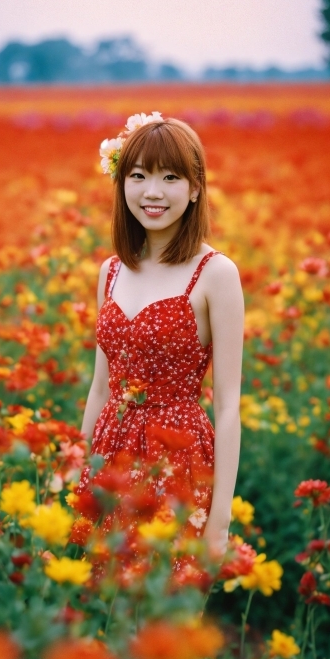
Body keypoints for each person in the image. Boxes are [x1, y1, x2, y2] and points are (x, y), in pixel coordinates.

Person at [77, 112, 244, 559]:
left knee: (162, 615)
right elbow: (100, 386)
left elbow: (227, 406)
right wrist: (76, 470)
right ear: (122, 183)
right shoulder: (110, 271)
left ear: (195, 189)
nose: (152, 192)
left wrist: (219, 523)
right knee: (101, 611)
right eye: (138, 175)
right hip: (109, 457)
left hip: (178, 463)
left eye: (170, 177)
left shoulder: (216, 274)